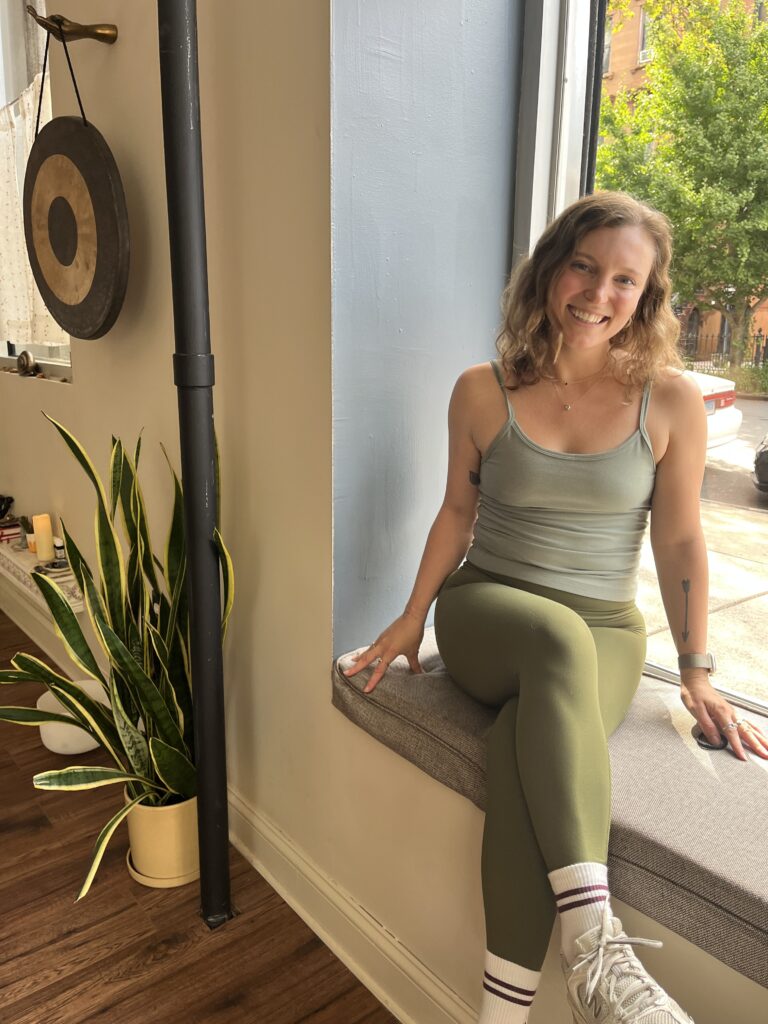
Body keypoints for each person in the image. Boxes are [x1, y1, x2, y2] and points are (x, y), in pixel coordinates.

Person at [343, 191, 768, 1024]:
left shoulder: (668, 402)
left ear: (645, 297)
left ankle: (504, 1014)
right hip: (487, 612)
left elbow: (680, 543)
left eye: (624, 280)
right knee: (551, 641)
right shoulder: (482, 390)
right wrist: (408, 619)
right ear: (550, 269)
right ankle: (597, 945)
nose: (598, 293)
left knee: (519, 746)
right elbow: (456, 516)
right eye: (584, 265)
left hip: (606, 632)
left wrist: (696, 670)